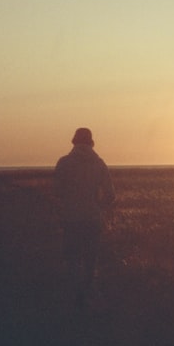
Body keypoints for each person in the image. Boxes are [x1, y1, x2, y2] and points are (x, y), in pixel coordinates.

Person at [53, 127, 116, 306]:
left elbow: (57, 191)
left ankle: (75, 299)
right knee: (90, 261)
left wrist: (67, 203)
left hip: (71, 219)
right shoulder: (99, 163)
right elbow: (111, 195)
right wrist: (98, 207)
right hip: (93, 220)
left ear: (74, 141)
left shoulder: (63, 163)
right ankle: (88, 295)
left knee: (72, 260)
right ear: (91, 142)